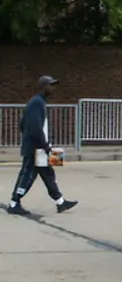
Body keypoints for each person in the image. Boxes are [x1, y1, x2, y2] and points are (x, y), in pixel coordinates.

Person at [7, 75, 77, 217]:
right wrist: (43, 145)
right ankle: (14, 203)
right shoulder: (37, 103)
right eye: (50, 85)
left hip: (39, 146)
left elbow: (22, 124)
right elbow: (34, 127)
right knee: (27, 174)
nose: (53, 88)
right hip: (35, 148)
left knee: (48, 173)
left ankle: (60, 201)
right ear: (42, 87)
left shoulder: (39, 102)